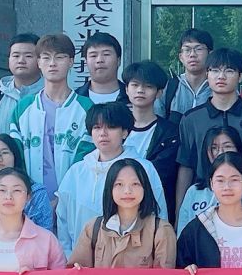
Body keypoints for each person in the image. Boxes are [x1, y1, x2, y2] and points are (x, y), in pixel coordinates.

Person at [8, 33, 94, 223]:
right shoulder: (23, 108)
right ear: (38, 62)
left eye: (60, 57)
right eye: (46, 58)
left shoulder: (86, 108)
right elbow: (16, 156)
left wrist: (63, 196)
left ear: (71, 62)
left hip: (75, 202)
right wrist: (28, 194)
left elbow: (86, 159)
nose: (52, 64)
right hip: (28, 203)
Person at [175, 47, 242, 196]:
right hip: (204, 197)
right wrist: (181, 207)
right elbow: (186, 166)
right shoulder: (191, 119)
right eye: (215, 70)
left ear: (240, 76)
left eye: (229, 71)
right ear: (207, 74)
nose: (221, 76)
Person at [57, 102, 164, 245]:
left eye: (111, 127)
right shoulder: (76, 172)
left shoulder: (143, 169)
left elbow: (158, 215)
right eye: (97, 127)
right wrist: (68, 253)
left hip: (132, 255)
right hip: (81, 255)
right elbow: (62, 219)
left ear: (125, 132)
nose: (103, 133)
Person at [177, 126, 242, 228]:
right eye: (214, 148)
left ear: (238, 150)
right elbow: (183, 233)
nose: (221, 152)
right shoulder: (194, 192)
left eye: (227, 146)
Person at [122, 59, 180, 207]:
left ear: (159, 93)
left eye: (148, 86)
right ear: (127, 89)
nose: (140, 90)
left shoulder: (170, 133)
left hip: (154, 205)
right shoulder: (115, 127)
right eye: (135, 85)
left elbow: (163, 173)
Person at [0, 32, 41, 142]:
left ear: (41, 60)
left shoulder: (52, 96)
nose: (21, 61)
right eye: (16, 55)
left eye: (28, 56)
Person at [163, 27, 215, 116]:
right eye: (187, 50)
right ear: (181, 57)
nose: (192, 55)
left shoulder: (218, 87)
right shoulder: (169, 88)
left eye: (198, 49)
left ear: (210, 54)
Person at [76, 30, 126, 104]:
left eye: (106, 54)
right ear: (86, 62)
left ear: (118, 60)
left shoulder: (133, 98)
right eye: (93, 55)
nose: (99, 60)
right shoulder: (74, 100)